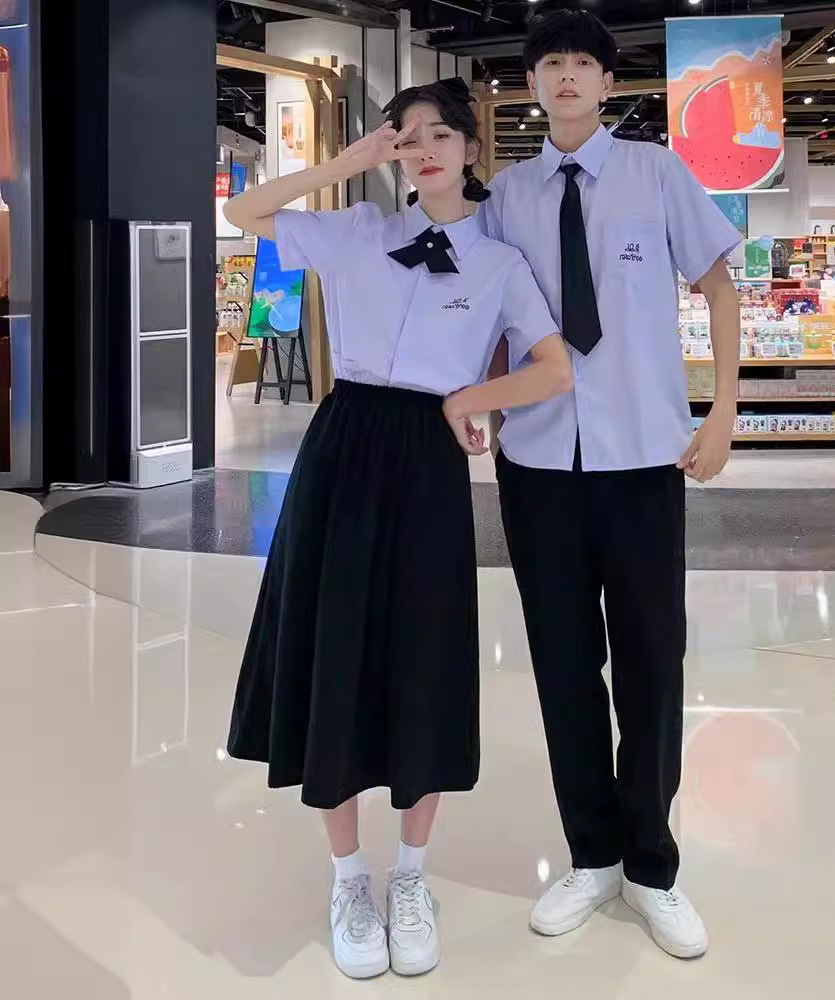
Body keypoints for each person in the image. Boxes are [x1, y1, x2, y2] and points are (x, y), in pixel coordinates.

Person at [225, 77, 570, 981]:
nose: (425, 150)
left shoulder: (499, 264)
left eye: (440, 135)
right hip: (343, 445)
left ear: (469, 148)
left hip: (427, 457)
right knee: (335, 644)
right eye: (407, 137)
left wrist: (472, 398)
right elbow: (242, 210)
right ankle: (349, 877)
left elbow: (553, 368)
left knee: (424, 648)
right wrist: (342, 164)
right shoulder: (355, 232)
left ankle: (411, 875)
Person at [481, 11, 742, 959]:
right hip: (539, 464)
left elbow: (719, 284)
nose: (565, 76)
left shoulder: (655, 174)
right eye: (550, 63)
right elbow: (481, 309)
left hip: (641, 461)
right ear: (532, 84)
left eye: (582, 63)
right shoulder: (506, 195)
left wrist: (723, 410)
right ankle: (591, 855)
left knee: (650, 663)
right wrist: (476, 404)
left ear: (606, 83)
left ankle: (652, 866)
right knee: (562, 666)